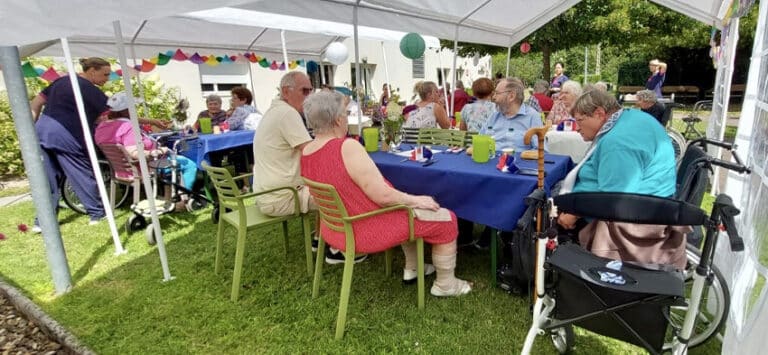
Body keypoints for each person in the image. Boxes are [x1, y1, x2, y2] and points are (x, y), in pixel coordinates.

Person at [300, 91, 472, 296]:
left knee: (407, 207)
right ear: (338, 120)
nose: (346, 118)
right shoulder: (346, 147)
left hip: (335, 228)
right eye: (345, 114)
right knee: (447, 218)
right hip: (366, 229)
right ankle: (446, 284)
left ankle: (413, 267)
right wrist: (417, 200)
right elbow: (383, 197)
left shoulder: (307, 150)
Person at [557, 89, 686, 269]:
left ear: (599, 113)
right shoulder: (630, 117)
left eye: (580, 120)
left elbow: (613, 199)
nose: (577, 127)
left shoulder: (618, 143)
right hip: (647, 202)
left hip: (634, 218)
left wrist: (573, 214)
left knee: (542, 208)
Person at [251, 72, 363, 264]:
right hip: (282, 195)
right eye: (305, 91)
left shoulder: (276, 111)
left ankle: (320, 239)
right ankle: (337, 250)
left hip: (267, 192)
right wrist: (337, 125)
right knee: (340, 192)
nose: (309, 96)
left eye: (311, 90)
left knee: (324, 183)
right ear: (286, 91)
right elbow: (314, 152)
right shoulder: (287, 114)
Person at [29, 57, 111, 230]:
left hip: (41, 132)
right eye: (105, 74)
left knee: (47, 179)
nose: (107, 79)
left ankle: (42, 222)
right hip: (68, 136)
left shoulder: (60, 81)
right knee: (80, 172)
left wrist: (30, 131)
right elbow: (108, 118)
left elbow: (35, 104)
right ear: (92, 71)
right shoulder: (91, 90)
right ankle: (97, 213)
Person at [94, 92, 198, 211]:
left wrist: (152, 122)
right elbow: (135, 153)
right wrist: (157, 151)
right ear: (128, 110)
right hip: (144, 167)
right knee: (188, 164)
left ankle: (168, 198)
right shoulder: (128, 127)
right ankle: (181, 202)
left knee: (170, 165)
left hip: (120, 170)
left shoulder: (103, 126)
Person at [477, 77, 545, 152]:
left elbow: (541, 150)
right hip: (491, 160)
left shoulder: (532, 117)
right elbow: (479, 141)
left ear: (511, 96)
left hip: (517, 162)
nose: (493, 97)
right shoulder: (495, 115)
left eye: (497, 93)